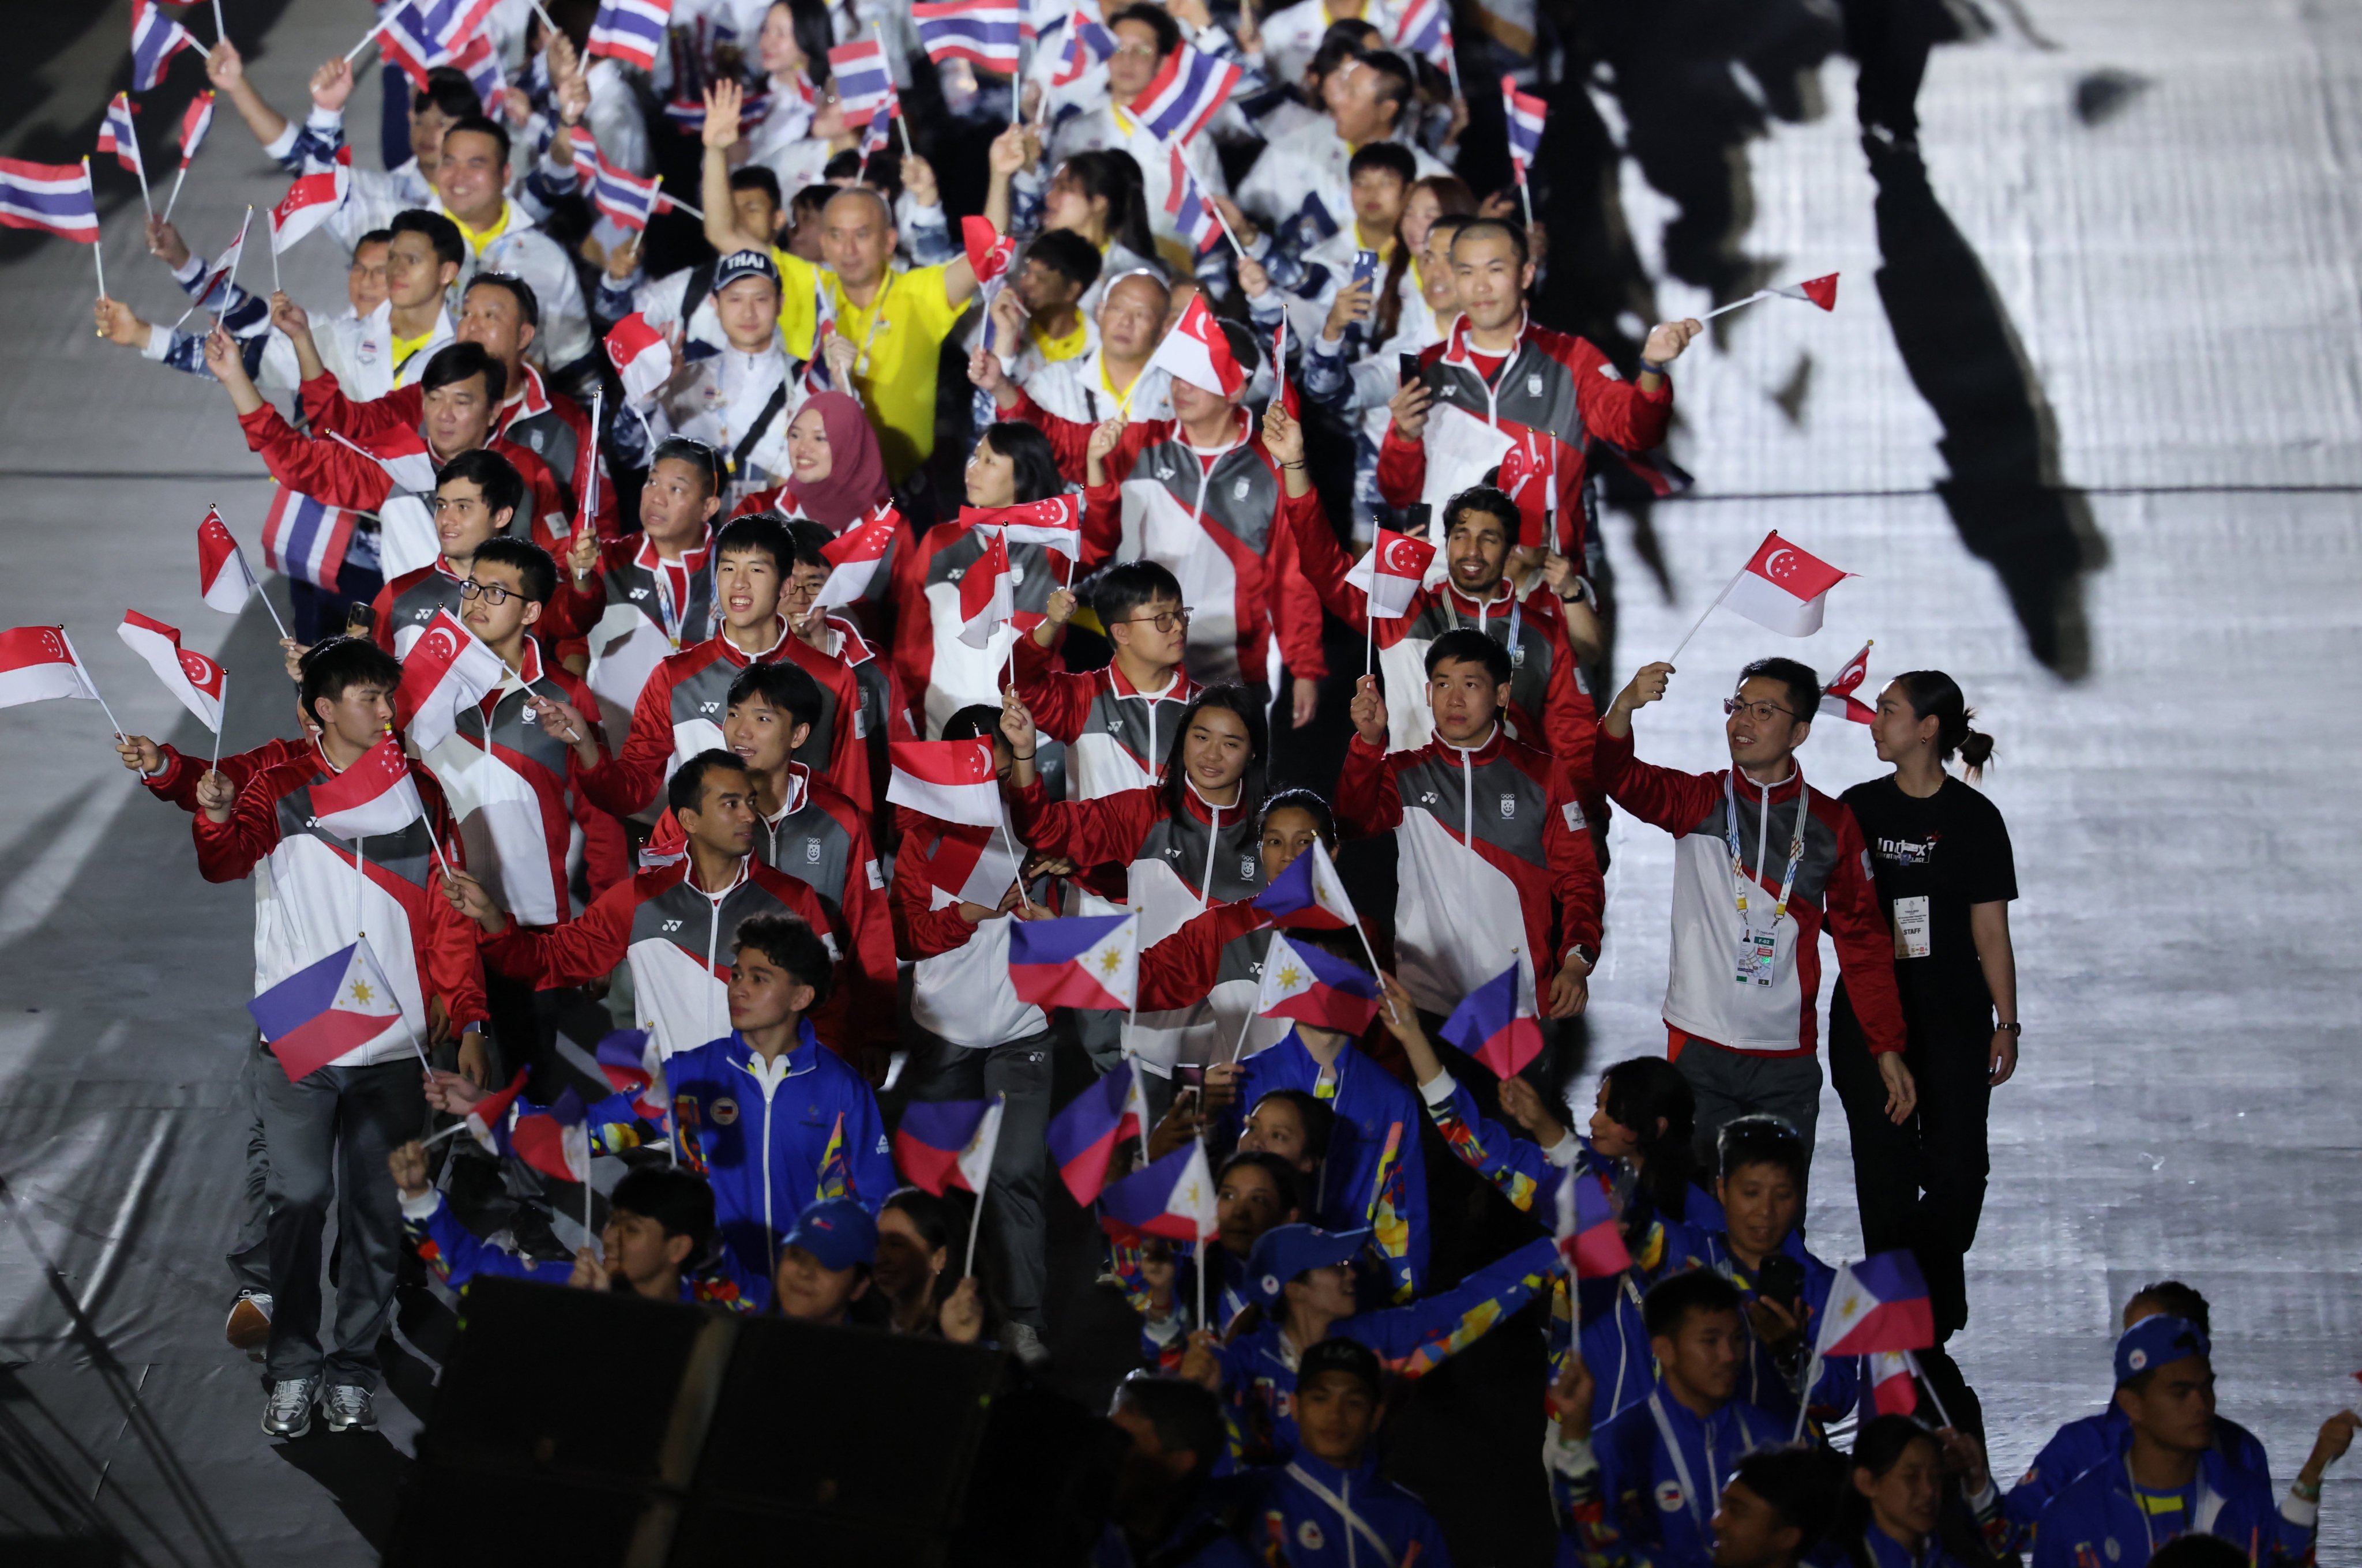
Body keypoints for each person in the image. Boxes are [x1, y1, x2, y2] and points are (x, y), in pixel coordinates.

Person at [190, 637, 487, 1439]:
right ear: (322, 707)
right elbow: (223, 861)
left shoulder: (421, 790)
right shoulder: (278, 785)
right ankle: (292, 1362)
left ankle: (350, 1363)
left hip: (394, 1043)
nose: (387, 711)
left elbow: (449, 915)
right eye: (368, 697)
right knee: (296, 1201)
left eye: (389, 697)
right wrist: (214, 813)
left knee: (372, 1213)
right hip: (304, 1029)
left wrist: (469, 1014)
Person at [431, 911, 890, 1293]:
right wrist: (487, 1107)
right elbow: (587, 1131)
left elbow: (870, 1202)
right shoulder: (692, 1074)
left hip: (806, 1299)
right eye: (736, 974)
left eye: (759, 977)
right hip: (709, 1293)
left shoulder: (842, 1089)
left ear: (802, 996)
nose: (738, 988)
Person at [1595, 657, 1913, 1160]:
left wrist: (1886, 1045)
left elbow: (1865, 942)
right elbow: (1615, 773)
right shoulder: (1696, 800)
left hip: (1785, 1057)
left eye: (1763, 711)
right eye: (1738, 707)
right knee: (1699, 1210)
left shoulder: (1832, 824)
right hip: (1697, 1045)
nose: (1742, 722)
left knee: (1777, 1220)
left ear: (1799, 731)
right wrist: (1625, 706)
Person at [981, 319, 1326, 712]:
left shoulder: (1273, 466)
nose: (1180, 388)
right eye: (1178, 376)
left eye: (1197, 378)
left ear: (1235, 388)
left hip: (1229, 664)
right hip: (1137, 657)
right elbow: (1058, 440)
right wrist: (1001, 387)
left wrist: (1305, 667)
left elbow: (1293, 575)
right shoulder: (1139, 443)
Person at [1831, 672, 2019, 1373]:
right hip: (1868, 1018)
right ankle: (1907, 1341)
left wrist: (2009, 1022)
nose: (1874, 723)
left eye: (1887, 711)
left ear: (1928, 728)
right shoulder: (1855, 809)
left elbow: (1991, 931)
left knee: (1960, 1170)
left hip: (1954, 1018)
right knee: (1883, 1178)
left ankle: (1925, 1300)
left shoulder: (1974, 819)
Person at [699, 82, 1009, 492]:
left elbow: (986, 253)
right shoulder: (802, 281)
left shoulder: (919, 292)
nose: (847, 249)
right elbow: (721, 231)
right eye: (836, 235)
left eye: (862, 234)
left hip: (897, 495)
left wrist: (1002, 173)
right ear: (823, 242)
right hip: (810, 488)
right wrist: (715, 150)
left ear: (888, 241)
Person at [444, 750, 850, 1061]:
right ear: (689, 819)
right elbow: (551, 961)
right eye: (731, 804)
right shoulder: (639, 898)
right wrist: (493, 918)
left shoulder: (794, 900)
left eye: (750, 800)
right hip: (675, 1119)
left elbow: (830, 1005)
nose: (749, 814)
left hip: (769, 1111)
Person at [1277, 430, 1603, 808]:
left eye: (1489, 538)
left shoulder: (1542, 632)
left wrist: (1591, 820)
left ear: (1511, 547)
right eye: (1461, 535)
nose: (1472, 550)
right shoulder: (1405, 607)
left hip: (1516, 818)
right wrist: (1294, 465)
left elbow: (1574, 739)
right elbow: (1324, 567)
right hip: (1424, 813)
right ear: (1446, 541)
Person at [890, 703, 1059, 1368]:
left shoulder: (1039, 826)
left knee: (1015, 1174)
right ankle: (925, 1312)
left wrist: (1055, 916)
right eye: (968, 760)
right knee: (935, 1182)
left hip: (1025, 1029)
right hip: (946, 1031)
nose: (980, 772)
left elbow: (1073, 917)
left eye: (994, 757)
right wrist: (963, 914)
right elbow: (908, 934)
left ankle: (1021, 1318)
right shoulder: (920, 838)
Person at [1378, 219, 1698, 555]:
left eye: (1495, 270)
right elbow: (1399, 493)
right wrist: (1403, 438)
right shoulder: (1427, 367)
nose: (1481, 287)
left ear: (1526, 275)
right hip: (1444, 584)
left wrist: (1651, 368)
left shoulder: (1571, 359)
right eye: (1467, 272)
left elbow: (1635, 431)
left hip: (1543, 586)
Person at [1337, 629, 1604, 1026]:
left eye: (1470, 684)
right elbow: (1351, 822)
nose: (1454, 699)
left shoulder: (1544, 775)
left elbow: (1580, 876)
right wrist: (1368, 742)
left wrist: (1577, 959)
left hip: (1518, 1001)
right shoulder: (1404, 772)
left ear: (1501, 694)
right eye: (1442, 684)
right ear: (1427, 693)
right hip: (1422, 1001)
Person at [547, 514, 862, 821]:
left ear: (785, 586)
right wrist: (586, 745)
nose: (739, 583)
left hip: (803, 865)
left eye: (756, 569)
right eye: (728, 568)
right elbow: (631, 791)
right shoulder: (674, 676)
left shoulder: (833, 679)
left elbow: (853, 801)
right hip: (701, 869)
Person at [438, 537, 611, 1081]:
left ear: (532, 611)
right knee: (446, 1097)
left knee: (527, 1091)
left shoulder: (565, 694)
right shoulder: (427, 689)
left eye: (495, 592)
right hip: (441, 925)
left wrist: (601, 929)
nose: (475, 603)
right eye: (471, 587)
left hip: (532, 929)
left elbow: (600, 816)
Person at [211, 333, 569, 592]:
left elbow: (559, 567)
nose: (443, 415)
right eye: (434, 398)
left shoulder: (527, 472)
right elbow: (297, 462)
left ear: (494, 411)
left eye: (462, 402)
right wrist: (235, 379)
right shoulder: (393, 461)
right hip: (416, 657)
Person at [1181, 1221, 1556, 1467]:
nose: (1350, 1273)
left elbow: (1464, 1304)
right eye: (1335, 1266)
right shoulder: (1243, 1363)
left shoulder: (1374, 1339)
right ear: (1293, 1289)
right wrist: (1193, 1377)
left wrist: (1561, 1248)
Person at [305, 271, 616, 542]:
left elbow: (600, 523)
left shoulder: (567, 423)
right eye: (466, 314)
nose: (472, 327)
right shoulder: (422, 399)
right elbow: (341, 426)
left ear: (524, 335)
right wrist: (302, 341)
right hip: (425, 594)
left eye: (490, 316)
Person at [2025, 1317, 2352, 1566]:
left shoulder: (2245, 1501)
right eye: (2180, 1393)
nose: (2202, 1404)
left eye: (2206, 1388)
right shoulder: (2071, 1517)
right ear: (2131, 1405)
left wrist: (2314, 1469)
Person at [1219, 932, 1430, 1298]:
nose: (1324, 989)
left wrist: (1403, 1307)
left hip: (1345, 1294)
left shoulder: (1392, 1100)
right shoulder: (1240, 1080)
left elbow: (1402, 1216)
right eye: (1313, 973)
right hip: (1250, 1290)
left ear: (1368, 986)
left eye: (1340, 975)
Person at [1005, 683, 1270, 972]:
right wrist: (1024, 753)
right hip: (1145, 1008)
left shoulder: (1274, 832)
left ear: (1253, 752)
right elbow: (1042, 830)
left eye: (1231, 744)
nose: (1212, 755)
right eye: (1201, 737)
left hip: (1240, 1015)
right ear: (1184, 739)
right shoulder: (1144, 811)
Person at [1546, 1271, 1785, 1568]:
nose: (1729, 1355)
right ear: (1664, 1349)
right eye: (1710, 1341)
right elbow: (1584, 1555)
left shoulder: (1772, 1439)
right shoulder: (1617, 1445)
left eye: (1737, 1339)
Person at [720, 660, 896, 1054]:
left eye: (761, 718)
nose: (740, 731)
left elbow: (869, 929)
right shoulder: (696, 813)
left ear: (798, 733)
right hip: (717, 1026)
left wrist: (875, 1032)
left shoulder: (840, 819)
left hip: (815, 1033)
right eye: (733, 714)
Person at [2006, 1284, 2272, 1535]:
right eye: (2129, 1338)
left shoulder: (2241, 1450)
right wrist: (1977, 1491)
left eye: (2153, 1336)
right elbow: (2006, 1534)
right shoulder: (2079, 1447)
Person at [392, 1149, 763, 1309]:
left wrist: (609, 1311)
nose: (610, 1238)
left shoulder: (721, 1310)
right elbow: (467, 1273)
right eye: (612, 1221)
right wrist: (419, 1199)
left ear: (678, 1247)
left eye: (631, 1230)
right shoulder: (574, 1285)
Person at [886, 419, 1069, 736]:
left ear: (1023, 474)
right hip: (946, 730)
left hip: (1034, 738)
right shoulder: (939, 540)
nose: (972, 468)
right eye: (975, 456)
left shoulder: (1055, 547)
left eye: (989, 461)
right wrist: (911, 719)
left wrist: (1095, 468)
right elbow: (911, 645)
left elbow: (1103, 538)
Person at [1131, 788, 1340, 1067]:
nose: (1288, 855)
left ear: (1333, 853)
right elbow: (1144, 978)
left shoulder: (1362, 936)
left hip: (1336, 1103)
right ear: (1261, 850)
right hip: (1250, 1104)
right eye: (1275, 842)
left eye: (1303, 842)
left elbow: (1381, 1045)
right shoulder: (1224, 927)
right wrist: (1062, 945)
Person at [1227, 1336, 1458, 1566]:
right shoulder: (1252, 1496)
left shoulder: (1410, 1518)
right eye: (1320, 1399)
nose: (1335, 1415)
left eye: (1354, 1402)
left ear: (1375, 1417)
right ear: (1295, 1407)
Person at [615, 250, 806, 510]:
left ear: (780, 303)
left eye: (761, 299)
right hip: (706, 540)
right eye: (735, 299)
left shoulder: (814, 380)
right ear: (715, 305)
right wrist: (648, 393)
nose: (748, 313)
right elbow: (630, 454)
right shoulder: (685, 381)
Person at [1014, 559, 1199, 812]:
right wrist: (1052, 625)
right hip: (1098, 853)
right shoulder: (1081, 698)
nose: (1179, 626)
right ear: (1121, 633)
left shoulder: (1207, 706)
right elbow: (1019, 682)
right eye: (1162, 618)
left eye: (1181, 614)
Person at [418, 115, 596, 377]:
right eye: (449, 162)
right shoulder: (408, 246)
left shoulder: (547, 258)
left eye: (475, 164)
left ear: (506, 174)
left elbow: (576, 367)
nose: (459, 177)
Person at [1046, 5, 1233, 250]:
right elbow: (1053, 205)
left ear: (1163, 62)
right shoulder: (1075, 132)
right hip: (1085, 265)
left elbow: (1214, 221)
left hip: (1169, 269)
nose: (1127, 60)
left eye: (1142, 50)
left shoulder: (1191, 138)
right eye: (1118, 48)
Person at [1233, 50, 1448, 260]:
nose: (1337, 101)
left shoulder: (1429, 181)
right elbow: (1260, 103)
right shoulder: (1313, 137)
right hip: (1290, 281)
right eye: (1342, 89)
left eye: (1352, 94)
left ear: (1386, 110)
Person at [367, 447, 532, 656]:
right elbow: (366, 679)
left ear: (501, 516)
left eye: (463, 507)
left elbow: (572, 629)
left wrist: (583, 584)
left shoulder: (529, 592)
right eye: (442, 506)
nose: (446, 520)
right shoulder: (398, 595)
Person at [1101, 1373, 1257, 1567]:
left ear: (1178, 1463)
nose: (1099, 1459)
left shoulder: (1224, 1561)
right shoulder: (1078, 1527)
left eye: (1121, 1447)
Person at [1831, 1415, 2002, 1567]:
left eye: (1936, 1477)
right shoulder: (1832, 1561)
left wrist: (1977, 1481)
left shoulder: (1953, 1557)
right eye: (1911, 1477)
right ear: (1867, 1482)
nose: (1928, 1491)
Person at [1015, 267, 1177, 426]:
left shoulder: (1179, 391)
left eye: (1142, 315)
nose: (1126, 322)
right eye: (1117, 309)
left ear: (1163, 329)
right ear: (1100, 312)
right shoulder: (1053, 384)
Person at [874, 1189, 987, 1342]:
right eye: (876, 1243)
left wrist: (960, 1343)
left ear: (939, 1258)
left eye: (896, 1245)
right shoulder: (862, 1324)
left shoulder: (975, 1333)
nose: (879, 1258)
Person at [769, 1196, 891, 1325]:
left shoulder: (883, 1345)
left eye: (826, 1264)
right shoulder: (748, 1338)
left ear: (859, 1287)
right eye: (796, 1255)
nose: (805, 1272)